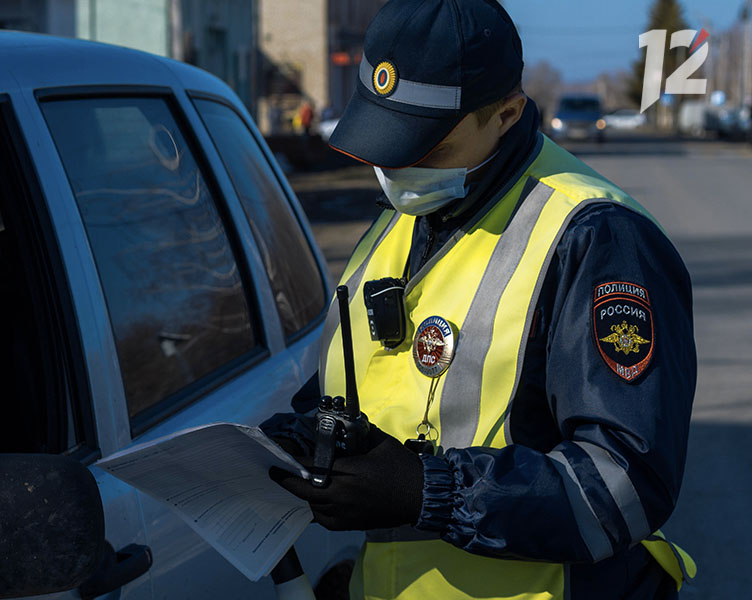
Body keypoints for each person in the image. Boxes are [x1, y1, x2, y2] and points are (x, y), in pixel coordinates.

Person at [265, 1, 697, 598]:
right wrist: (299, 440)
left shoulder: (596, 238)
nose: (399, 166)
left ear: (507, 113)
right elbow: (366, 387)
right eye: (385, 141)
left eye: (426, 146)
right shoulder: (407, 216)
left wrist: (427, 491)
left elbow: (625, 484)